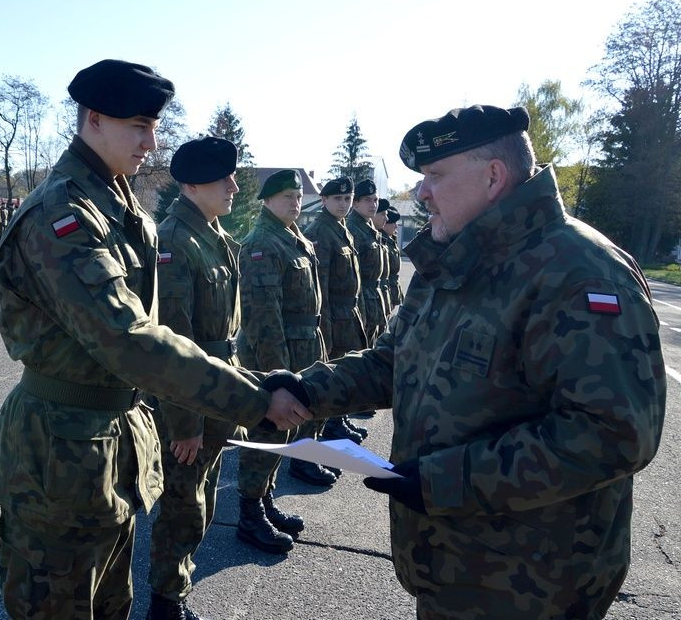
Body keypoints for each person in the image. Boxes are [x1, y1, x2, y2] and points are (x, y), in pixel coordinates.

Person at [271, 104, 666, 619]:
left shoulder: (577, 272)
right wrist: (307, 390)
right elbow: (396, 360)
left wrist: (445, 481)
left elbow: (612, 434)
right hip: (455, 565)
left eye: (435, 175)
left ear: (493, 176)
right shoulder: (459, 255)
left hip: (530, 583)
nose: (420, 192)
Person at [0, 59, 308, 620]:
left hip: (110, 447)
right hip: (59, 455)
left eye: (154, 127)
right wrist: (254, 399)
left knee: (113, 605)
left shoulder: (117, 203)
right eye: (138, 126)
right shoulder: (62, 213)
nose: (151, 142)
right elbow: (130, 339)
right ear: (93, 119)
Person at [146, 137, 244, 620]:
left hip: (216, 388)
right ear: (190, 184)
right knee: (183, 503)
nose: (233, 185)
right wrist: (184, 421)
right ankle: (166, 601)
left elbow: (226, 333)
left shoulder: (216, 235)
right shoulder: (175, 243)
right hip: (191, 397)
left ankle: (176, 589)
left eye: (232, 175)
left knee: (201, 496)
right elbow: (173, 343)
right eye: (222, 178)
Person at [235, 169, 329, 554]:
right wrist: (278, 374)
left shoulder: (294, 238)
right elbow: (263, 315)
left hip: (305, 346)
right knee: (268, 433)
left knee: (286, 432)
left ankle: (265, 499)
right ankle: (249, 513)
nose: (295, 202)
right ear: (267, 200)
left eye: (297, 195)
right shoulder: (262, 243)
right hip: (280, 353)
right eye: (287, 196)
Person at [303, 177, 368, 444]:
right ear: (324, 200)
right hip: (333, 320)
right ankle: (328, 428)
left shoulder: (342, 229)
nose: (343, 204)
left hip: (347, 318)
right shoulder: (320, 232)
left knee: (342, 376)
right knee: (328, 376)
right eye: (337, 199)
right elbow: (322, 292)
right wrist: (325, 335)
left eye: (347, 198)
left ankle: (337, 420)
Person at [347, 179, 387, 343]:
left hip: (374, 303)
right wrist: (361, 313)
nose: (373, 204)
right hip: (362, 305)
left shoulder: (370, 228)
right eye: (367, 200)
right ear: (355, 203)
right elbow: (353, 278)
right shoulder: (352, 229)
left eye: (375, 200)